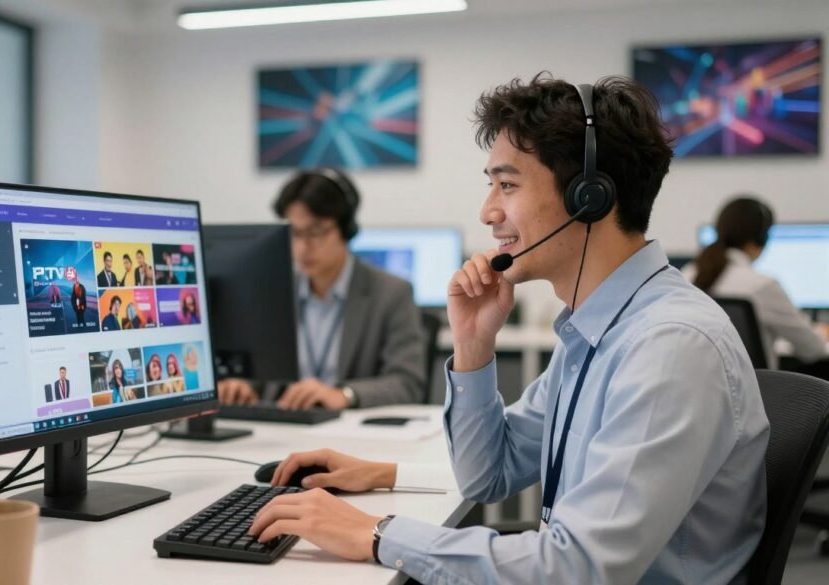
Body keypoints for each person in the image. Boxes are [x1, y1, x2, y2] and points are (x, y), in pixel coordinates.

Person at [247, 74, 769, 584]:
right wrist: (474, 346)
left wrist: (379, 535)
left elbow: (579, 569)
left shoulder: (669, 346)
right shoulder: (594, 333)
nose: (488, 211)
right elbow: (488, 474)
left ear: (589, 197)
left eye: (507, 184)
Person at [217, 167, 426, 410]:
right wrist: (243, 386)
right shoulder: (274, 293)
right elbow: (261, 375)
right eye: (294, 233)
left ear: (346, 230)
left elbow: (408, 383)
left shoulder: (391, 293)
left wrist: (344, 394)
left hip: (352, 432)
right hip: (288, 425)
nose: (303, 247)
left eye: (316, 232)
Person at [682, 196, 829, 371]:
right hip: (754, 394)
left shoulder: (686, 275)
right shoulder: (762, 285)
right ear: (761, 238)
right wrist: (821, 332)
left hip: (699, 390)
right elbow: (813, 349)